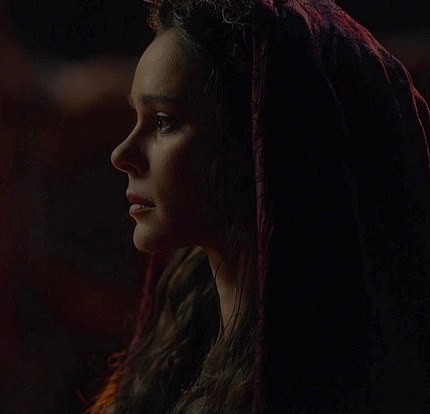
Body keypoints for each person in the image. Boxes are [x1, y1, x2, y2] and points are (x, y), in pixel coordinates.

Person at [96, 0, 430, 412]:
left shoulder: (324, 388)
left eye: (164, 121)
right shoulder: (176, 352)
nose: (121, 154)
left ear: (257, 143)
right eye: (136, 116)